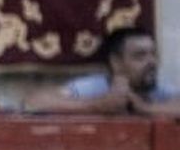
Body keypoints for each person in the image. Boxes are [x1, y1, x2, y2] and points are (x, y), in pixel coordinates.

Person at [24, 27, 180, 117]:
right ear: (116, 62)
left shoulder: (162, 91)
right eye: (140, 56)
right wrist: (98, 105)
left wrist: (144, 108)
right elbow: (34, 102)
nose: (152, 62)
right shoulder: (95, 87)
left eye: (153, 54)